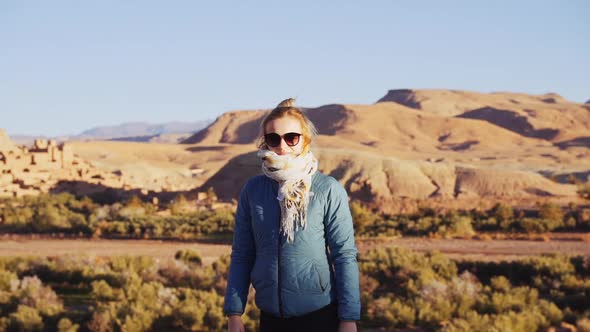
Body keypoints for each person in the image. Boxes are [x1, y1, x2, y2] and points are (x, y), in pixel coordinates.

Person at [223, 98, 360, 332]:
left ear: (305, 140)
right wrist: (234, 313)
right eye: (273, 138)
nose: (282, 146)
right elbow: (243, 254)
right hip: (270, 319)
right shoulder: (253, 190)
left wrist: (348, 318)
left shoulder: (327, 189)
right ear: (265, 142)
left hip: (320, 317)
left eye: (291, 138)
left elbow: (344, 255)